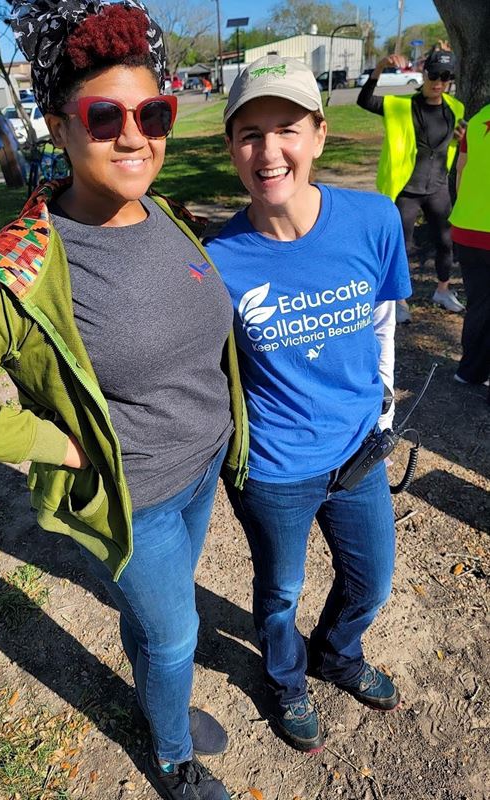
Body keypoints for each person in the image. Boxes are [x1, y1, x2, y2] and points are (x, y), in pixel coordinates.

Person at [0, 2, 249, 798]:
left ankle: (162, 700)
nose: (133, 135)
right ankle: (175, 753)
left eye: (152, 112)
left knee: (160, 620)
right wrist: (55, 444)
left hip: (199, 468)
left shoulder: (163, 211)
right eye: (104, 115)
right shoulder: (24, 266)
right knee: (178, 629)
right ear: (58, 124)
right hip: (134, 495)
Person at [205, 54, 412, 754]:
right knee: (280, 593)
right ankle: (287, 678)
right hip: (274, 469)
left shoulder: (374, 220)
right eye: (249, 134)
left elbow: (385, 320)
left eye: (287, 128)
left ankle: (338, 653)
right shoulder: (217, 260)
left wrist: (381, 416)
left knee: (372, 581)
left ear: (319, 135)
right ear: (232, 148)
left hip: (358, 452)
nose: (270, 151)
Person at [357, 47, 465, 323]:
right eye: (433, 74)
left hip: (438, 186)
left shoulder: (455, 108)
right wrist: (380, 67)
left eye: (445, 76)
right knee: (402, 247)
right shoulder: (400, 105)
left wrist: (459, 138)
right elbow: (364, 100)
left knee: (445, 241)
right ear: (423, 73)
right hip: (407, 189)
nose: (438, 81)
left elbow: (452, 141)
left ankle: (442, 290)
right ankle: (400, 300)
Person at [449, 100, 490, 402]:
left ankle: (469, 371)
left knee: (479, 302)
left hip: (468, 227)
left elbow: (461, 172)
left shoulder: (478, 119)